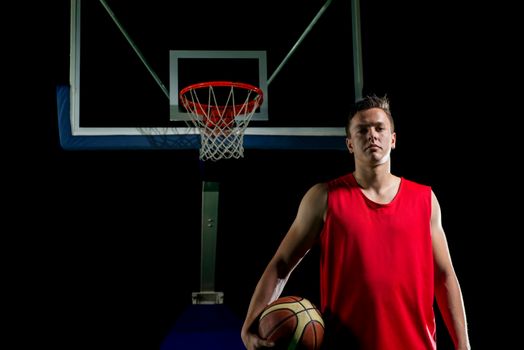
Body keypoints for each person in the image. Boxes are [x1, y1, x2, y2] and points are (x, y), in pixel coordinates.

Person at [240, 94, 470, 350]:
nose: (372, 135)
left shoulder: (425, 199)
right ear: (350, 144)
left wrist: (463, 345)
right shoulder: (323, 198)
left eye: (379, 128)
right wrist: (249, 325)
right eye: (362, 130)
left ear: (393, 139)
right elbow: (281, 264)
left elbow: (445, 276)